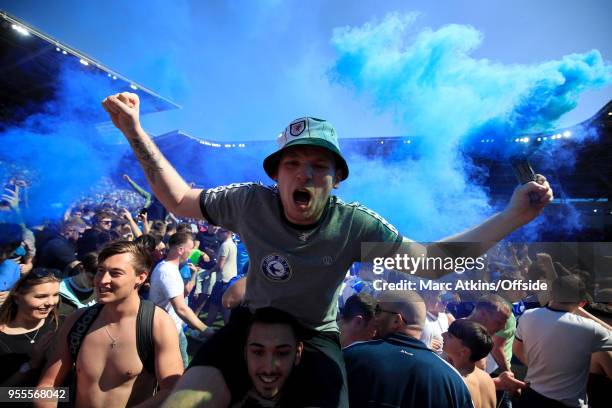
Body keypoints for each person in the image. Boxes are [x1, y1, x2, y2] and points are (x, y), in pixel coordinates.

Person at [102, 92, 553, 406]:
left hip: (314, 335)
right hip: (249, 325)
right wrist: (134, 131)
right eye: (292, 164)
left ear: (335, 180)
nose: (304, 175)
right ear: (276, 176)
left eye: (318, 166)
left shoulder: (353, 223)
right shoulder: (246, 201)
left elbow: (431, 266)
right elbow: (179, 199)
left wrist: (514, 217)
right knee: (190, 402)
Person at [36, 241, 184, 408]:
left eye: (115, 273)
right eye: (100, 271)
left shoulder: (157, 325)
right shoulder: (77, 321)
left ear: (140, 278)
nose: (102, 280)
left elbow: (172, 390)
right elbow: (48, 385)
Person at [344, 290, 473, 407]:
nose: (374, 317)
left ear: (396, 320)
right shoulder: (452, 380)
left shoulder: (351, 357)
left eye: (378, 311)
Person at [513, 275, 612, 408]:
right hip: (568, 404)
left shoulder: (527, 315)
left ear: (551, 294)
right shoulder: (589, 328)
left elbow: (517, 349)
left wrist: (540, 368)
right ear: (582, 303)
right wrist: (582, 312)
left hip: (531, 397)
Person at [148, 232, 207, 367]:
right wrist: (205, 330)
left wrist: (193, 276)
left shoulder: (170, 268)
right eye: (190, 249)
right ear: (180, 250)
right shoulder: (167, 272)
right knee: (179, 371)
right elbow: (181, 308)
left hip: (173, 328)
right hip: (169, 331)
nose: (192, 253)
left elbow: (183, 294)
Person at [0, 268, 60, 387]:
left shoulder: (62, 324)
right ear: (17, 298)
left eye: (55, 295)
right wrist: (31, 365)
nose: (51, 302)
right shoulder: (3, 341)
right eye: (41, 296)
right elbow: (3, 395)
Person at [443, 319, 496, 408]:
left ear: (463, 352)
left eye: (450, 335)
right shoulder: (487, 378)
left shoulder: (455, 382)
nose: (442, 335)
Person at [204, 228, 238, 326]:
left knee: (213, 307)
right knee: (225, 309)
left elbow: (220, 266)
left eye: (220, 231)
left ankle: (204, 331)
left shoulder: (225, 245)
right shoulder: (232, 244)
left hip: (222, 281)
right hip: (230, 280)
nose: (218, 233)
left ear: (228, 232)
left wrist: (208, 272)